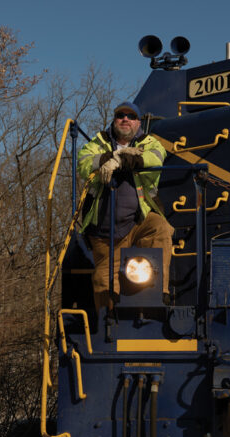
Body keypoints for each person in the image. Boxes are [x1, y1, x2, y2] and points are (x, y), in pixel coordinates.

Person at [77, 101, 171, 311]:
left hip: (140, 218)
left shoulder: (150, 142)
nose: (125, 119)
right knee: (104, 279)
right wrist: (109, 157)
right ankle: (108, 320)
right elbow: (83, 162)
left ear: (139, 123)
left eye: (131, 116)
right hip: (104, 225)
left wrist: (123, 161)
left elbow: (155, 160)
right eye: (121, 115)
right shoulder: (99, 141)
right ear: (114, 119)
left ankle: (161, 291)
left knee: (160, 227)